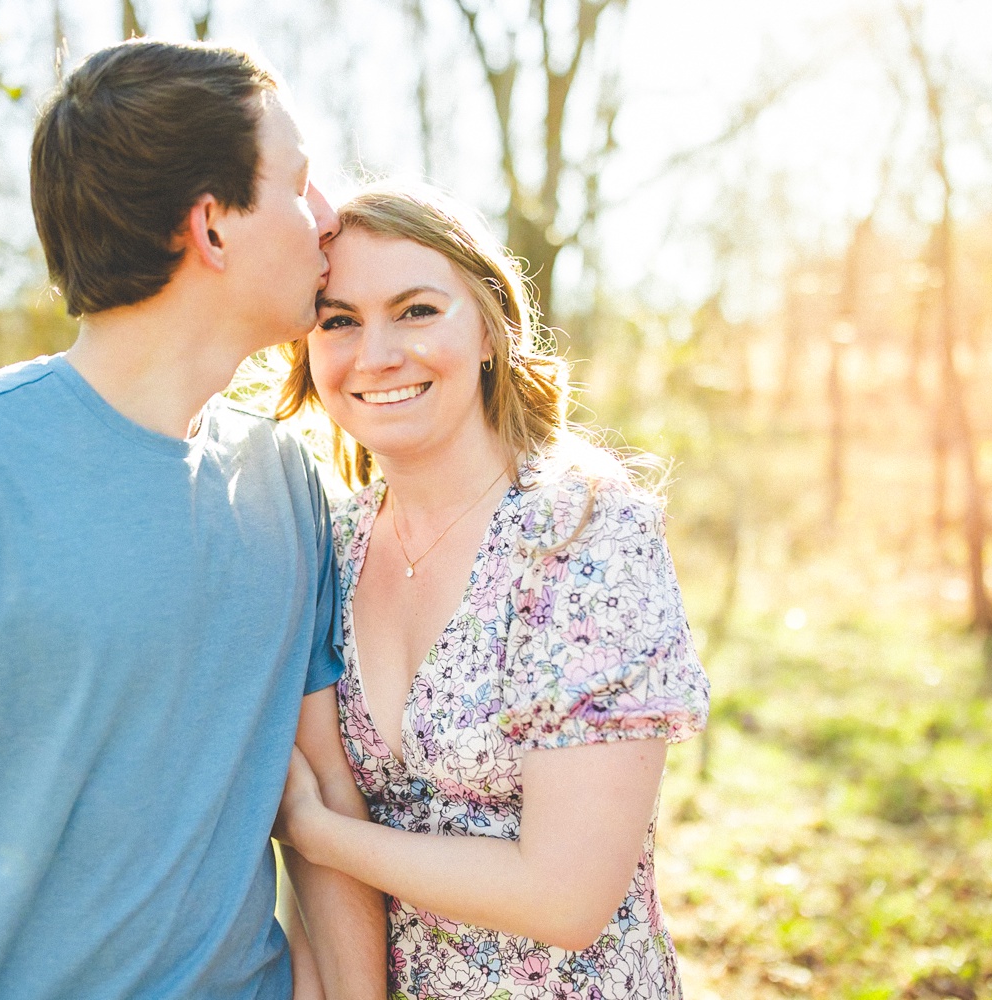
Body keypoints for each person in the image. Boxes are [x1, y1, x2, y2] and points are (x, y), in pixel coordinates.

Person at [0, 40, 385, 1000]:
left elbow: (324, 794)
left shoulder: (285, 483)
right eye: (300, 188)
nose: (330, 219)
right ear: (211, 227)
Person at [273, 185, 710, 999]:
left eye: (416, 310)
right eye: (339, 320)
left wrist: (316, 834)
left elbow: (567, 895)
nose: (375, 354)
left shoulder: (581, 535)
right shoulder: (326, 544)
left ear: (488, 329)